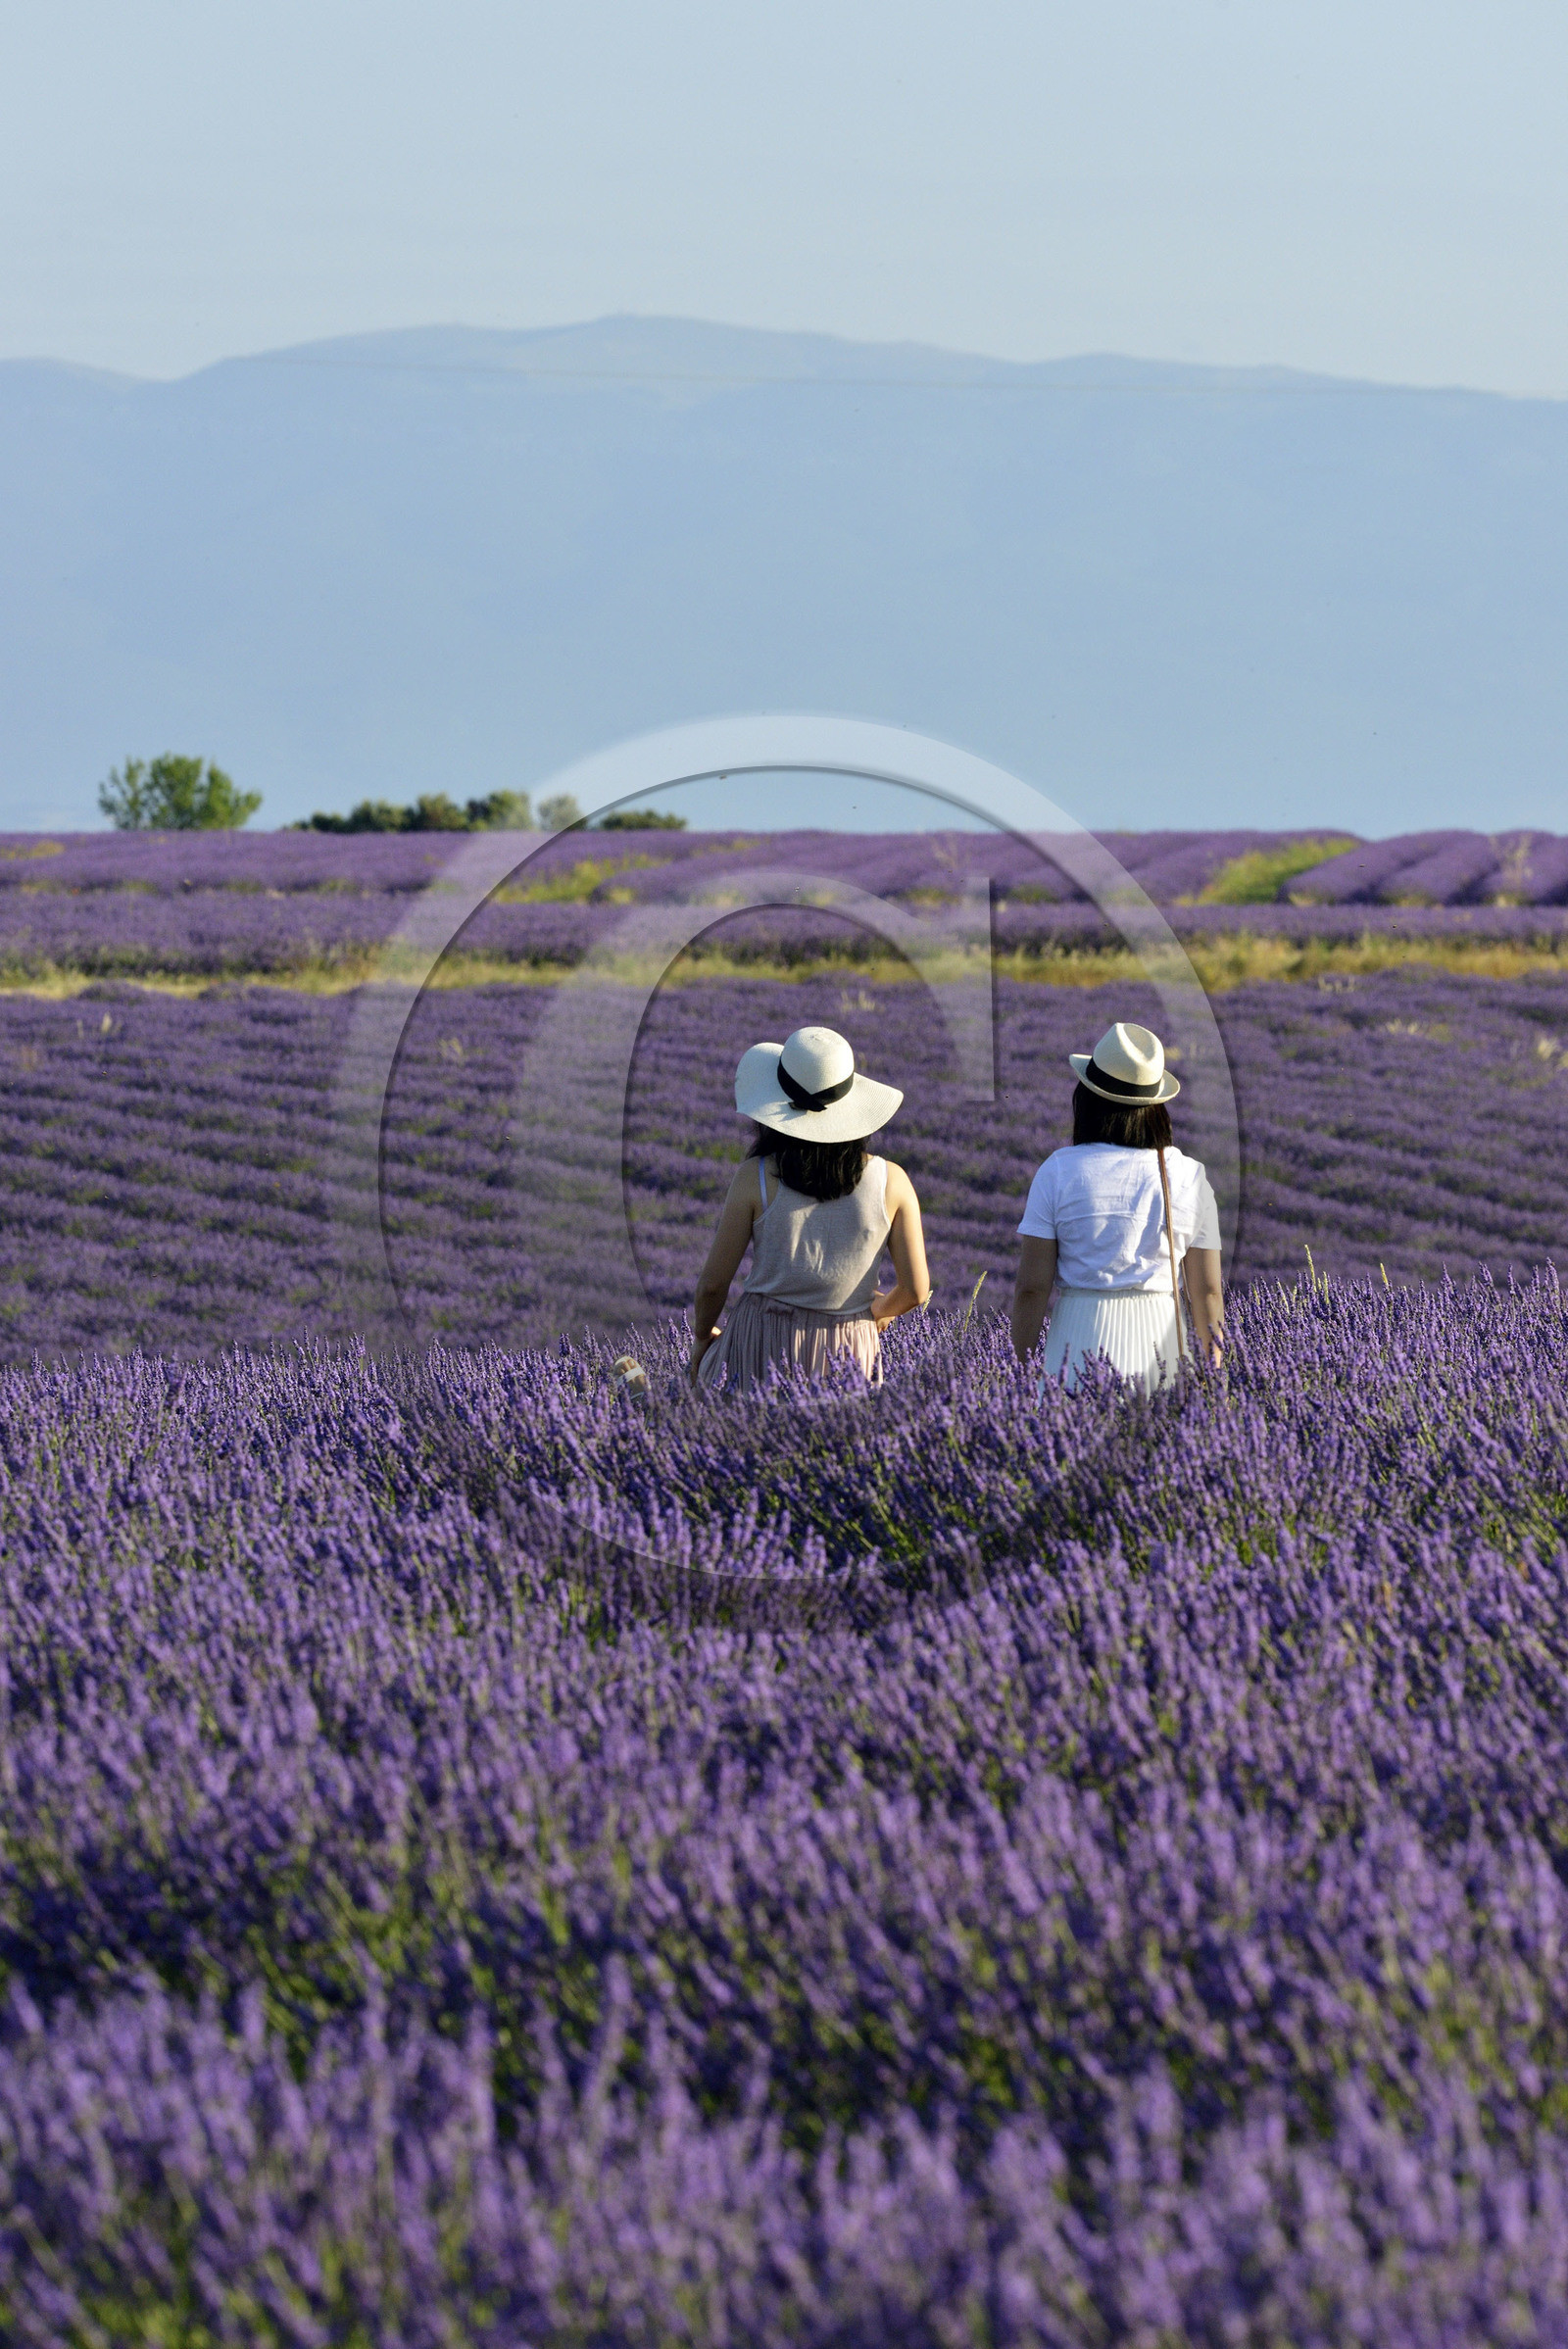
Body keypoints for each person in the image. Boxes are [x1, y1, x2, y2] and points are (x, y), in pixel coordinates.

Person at [690, 1024, 931, 1393]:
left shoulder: (755, 1178)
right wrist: (873, 1314)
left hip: (760, 1345)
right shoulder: (893, 1182)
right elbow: (916, 1290)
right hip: (848, 1353)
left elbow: (712, 1286)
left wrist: (704, 1338)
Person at [1010, 1020, 1223, 1389]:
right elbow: (1206, 1291)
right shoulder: (1189, 1176)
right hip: (1162, 1345)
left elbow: (1032, 1288)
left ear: (1088, 1099)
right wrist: (1212, 1372)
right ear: (1156, 1106)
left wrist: (1020, 1370)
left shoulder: (1058, 1170)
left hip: (1077, 1343)